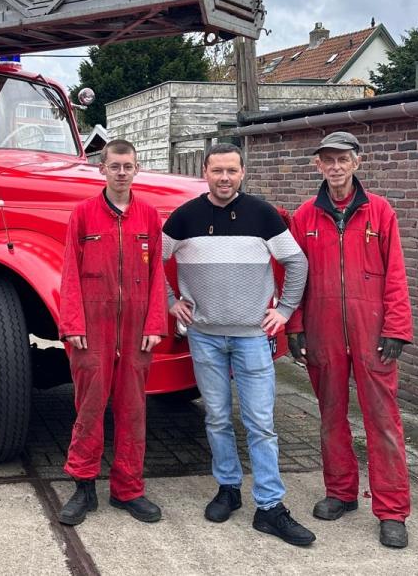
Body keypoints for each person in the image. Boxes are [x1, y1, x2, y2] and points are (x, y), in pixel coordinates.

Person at [162, 142, 316, 546]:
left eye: (232, 170)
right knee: (215, 417)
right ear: (205, 172)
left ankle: (269, 507)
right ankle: (228, 488)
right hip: (205, 337)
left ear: (242, 173)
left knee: (260, 423)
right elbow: (149, 259)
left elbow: (297, 262)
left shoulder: (262, 214)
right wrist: (170, 301)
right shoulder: (185, 217)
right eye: (217, 171)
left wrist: (283, 310)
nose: (225, 178)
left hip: (252, 337)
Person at [286, 131, 414, 549]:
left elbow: (395, 274)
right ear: (318, 166)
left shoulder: (380, 212)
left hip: (373, 331)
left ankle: (392, 509)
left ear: (357, 162)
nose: (336, 167)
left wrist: (396, 328)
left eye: (343, 159)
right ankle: (341, 492)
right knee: (330, 416)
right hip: (323, 331)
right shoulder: (305, 216)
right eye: (328, 160)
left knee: (383, 421)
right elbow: (296, 278)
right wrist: (296, 326)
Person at [57, 139, 167, 525]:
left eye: (128, 166)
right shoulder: (83, 215)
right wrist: (72, 324)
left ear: (137, 169)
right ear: (101, 168)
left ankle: (128, 490)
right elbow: (69, 271)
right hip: (92, 327)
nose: (122, 172)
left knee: (133, 409)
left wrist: (155, 322)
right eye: (115, 165)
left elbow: (159, 277)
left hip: (137, 328)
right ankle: (83, 487)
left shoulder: (150, 217)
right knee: (89, 408)